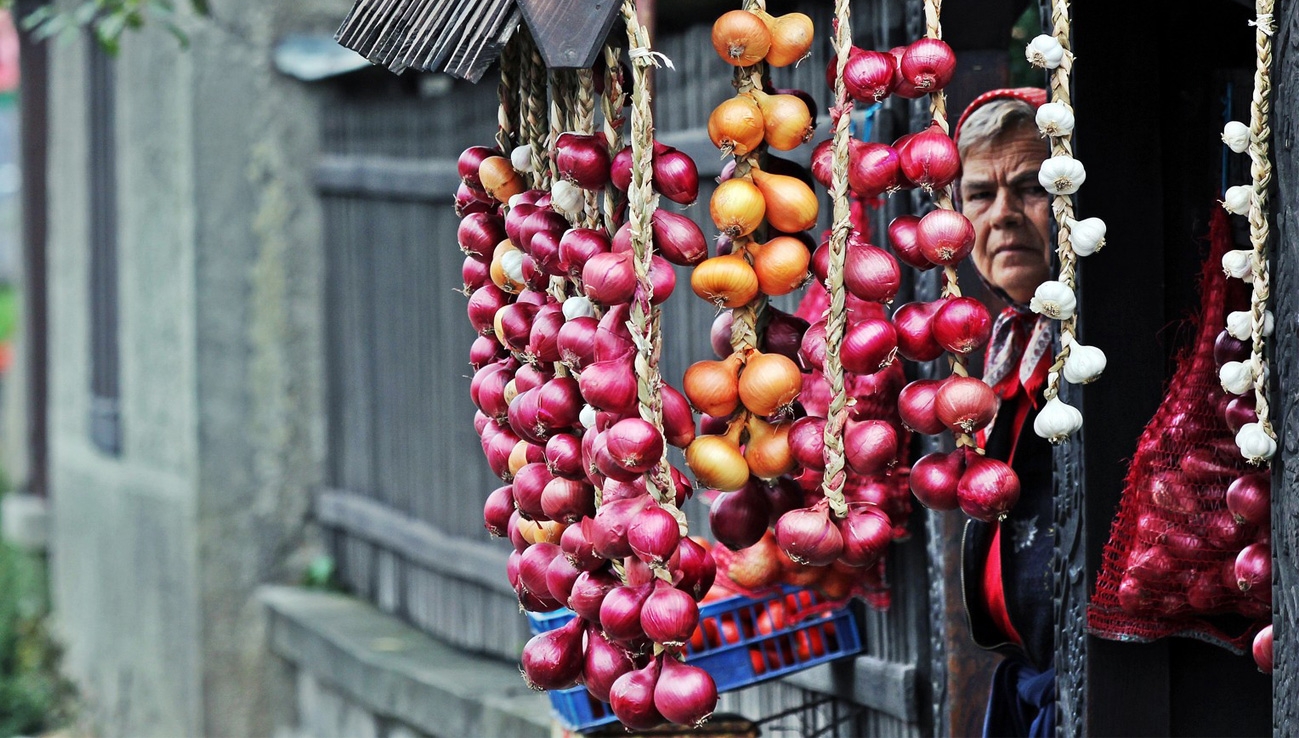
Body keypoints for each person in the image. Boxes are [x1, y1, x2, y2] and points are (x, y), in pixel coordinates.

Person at [952, 88, 1057, 738]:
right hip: (1027, 686)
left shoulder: (1090, 351)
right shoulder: (1003, 353)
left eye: (1029, 187)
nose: (1002, 216)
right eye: (979, 195)